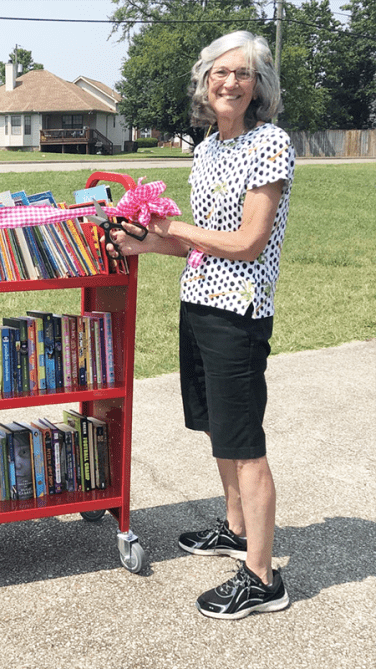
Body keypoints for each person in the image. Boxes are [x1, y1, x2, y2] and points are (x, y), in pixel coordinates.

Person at [108, 31, 295, 619]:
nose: (229, 81)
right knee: (217, 427)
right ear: (204, 82)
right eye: (218, 72)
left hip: (239, 312)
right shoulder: (206, 148)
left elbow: (246, 242)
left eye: (242, 73)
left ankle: (263, 579)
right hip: (199, 301)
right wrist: (145, 245)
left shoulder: (271, 144)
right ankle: (237, 529)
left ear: (259, 86)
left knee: (245, 443)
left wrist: (176, 228)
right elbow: (199, 250)